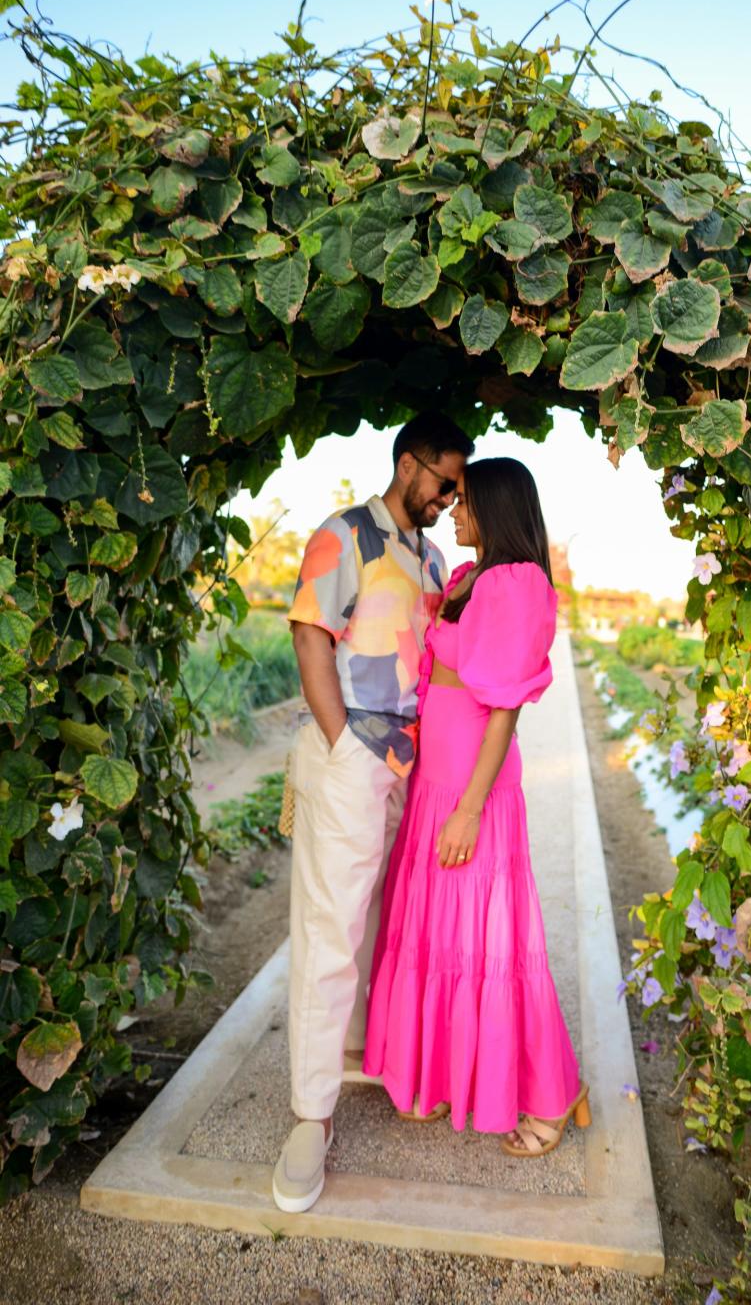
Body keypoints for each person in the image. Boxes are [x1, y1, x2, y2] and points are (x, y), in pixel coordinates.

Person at [272, 411, 474, 1213]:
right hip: (353, 754)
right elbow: (311, 636)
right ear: (409, 463)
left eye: (456, 488)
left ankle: (363, 1055)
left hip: (412, 767)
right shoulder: (344, 532)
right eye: (446, 482)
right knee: (329, 931)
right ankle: (309, 1119)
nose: (449, 497)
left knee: (388, 922)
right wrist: (339, 744)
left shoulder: (429, 560)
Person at [363, 458, 589, 1156]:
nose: (453, 513)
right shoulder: (470, 579)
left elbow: (503, 712)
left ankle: (553, 1093)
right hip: (439, 782)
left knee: (491, 943)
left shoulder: (516, 584)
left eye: (463, 503)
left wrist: (469, 808)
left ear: (494, 508)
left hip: (473, 790)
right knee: (439, 935)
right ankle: (435, 1071)